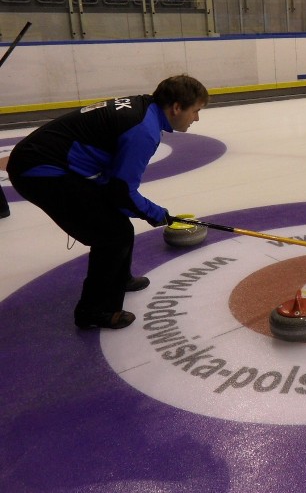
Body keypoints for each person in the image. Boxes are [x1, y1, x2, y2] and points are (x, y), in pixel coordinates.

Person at [6, 75, 209, 329]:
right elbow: (122, 192)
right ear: (177, 107)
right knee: (112, 234)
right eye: (195, 111)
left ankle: (119, 278)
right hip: (40, 170)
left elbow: (116, 187)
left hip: (46, 160)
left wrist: (147, 210)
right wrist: (157, 213)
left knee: (116, 223)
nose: (197, 119)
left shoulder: (145, 110)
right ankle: (94, 311)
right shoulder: (143, 131)